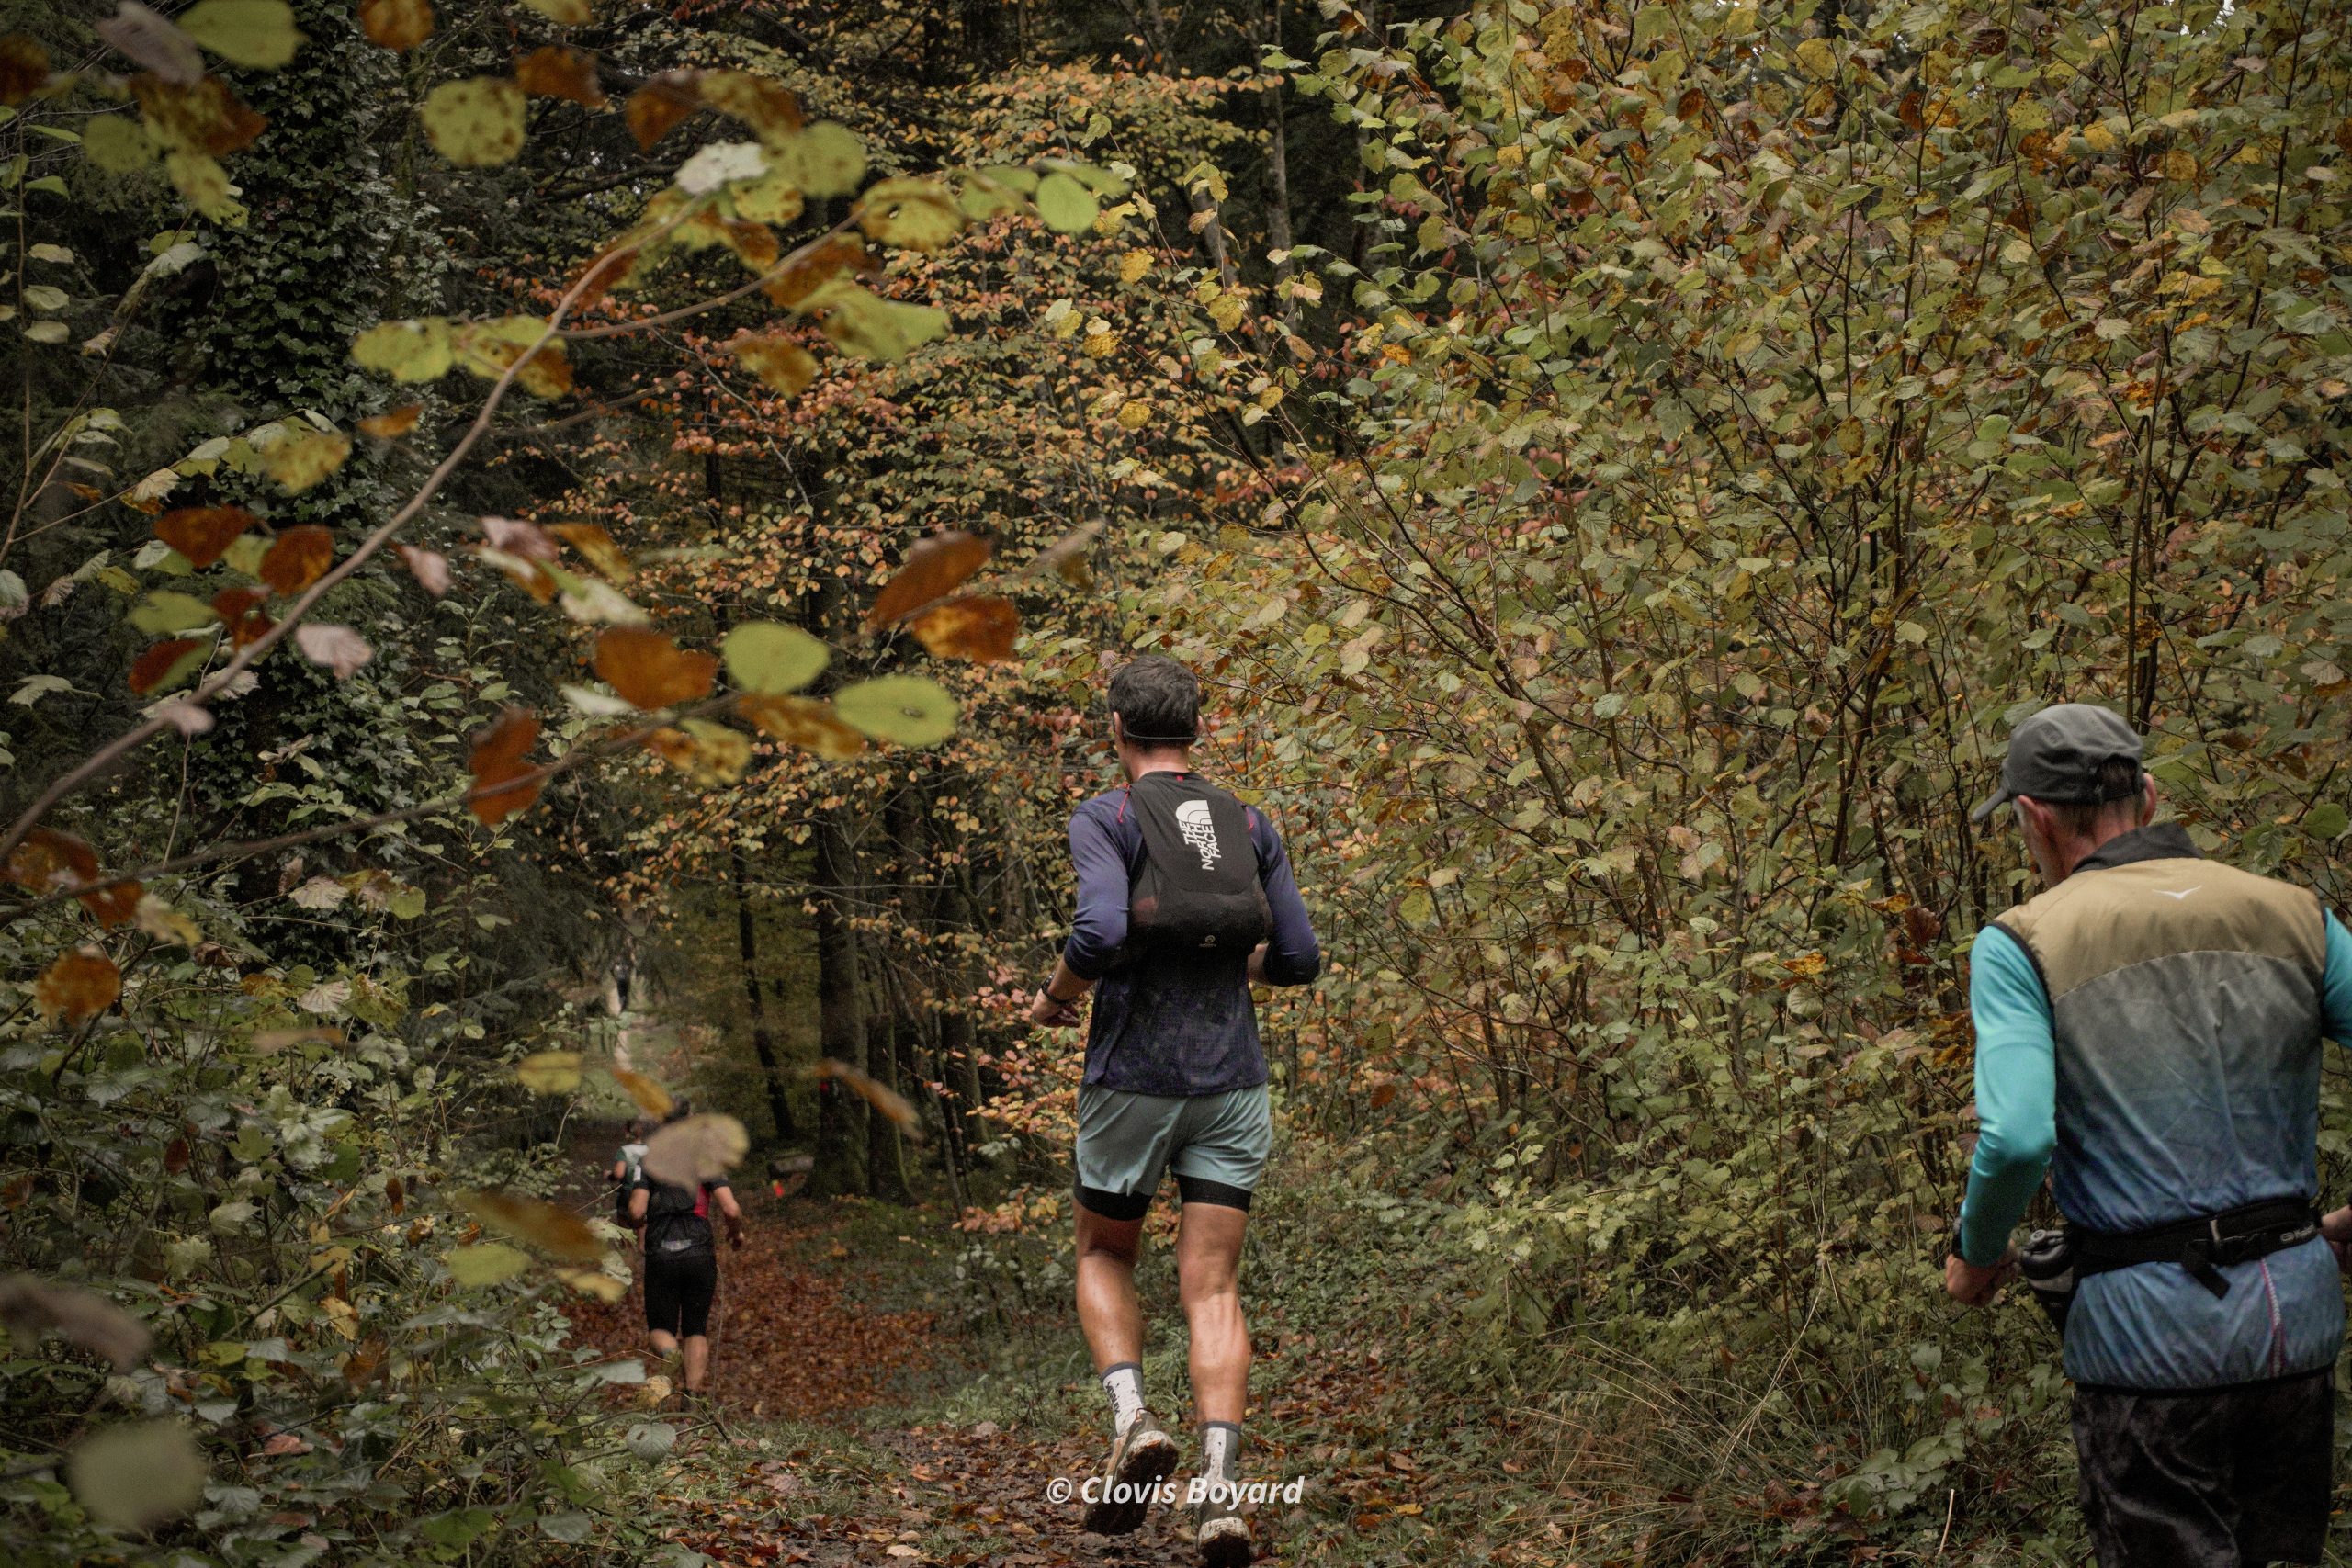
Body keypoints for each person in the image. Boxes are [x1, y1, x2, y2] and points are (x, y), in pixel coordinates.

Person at [1946, 702, 2352, 1567]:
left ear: (2034, 818)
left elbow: (2016, 1138)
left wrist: (1976, 1253)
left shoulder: (2022, 942)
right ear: (2152, 796)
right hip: (2298, 1331)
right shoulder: (2294, 913)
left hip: (2147, 1350)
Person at [1028, 655, 1320, 1567]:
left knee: (1103, 1252)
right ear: (1197, 728)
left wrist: (1054, 998)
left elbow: (1101, 931)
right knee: (1214, 1287)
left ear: (1116, 728)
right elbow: (1299, 958)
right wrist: (1236, 964)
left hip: (1133, 1079)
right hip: (1232, 1083)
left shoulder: (1107, 816)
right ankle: (1221, 1491)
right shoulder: (1247, 821)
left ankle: (1134, 1421)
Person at [628, 1105, 745, 1403]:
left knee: (660, 1329)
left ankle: (672, 1355)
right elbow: (731, 1210)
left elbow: (636, 1211)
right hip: (699, 1251)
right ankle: (691, 1396)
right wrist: (735, 1233)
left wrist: (640, 1228)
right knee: (696, 1328)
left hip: (661, 1250)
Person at [609, 1118, 649, 1229]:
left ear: (626, 1131)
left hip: (627, 1193)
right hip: (644, 1195)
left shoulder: (624, 1151)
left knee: (624, 1230)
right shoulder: (648, 1150)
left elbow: (619, 1173)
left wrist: (609, 1175)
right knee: (642, 1229)